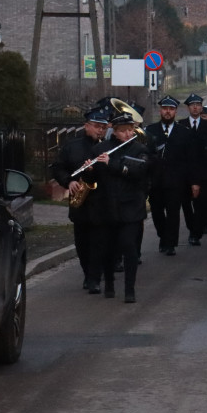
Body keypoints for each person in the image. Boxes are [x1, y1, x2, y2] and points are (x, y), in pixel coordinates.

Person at [86, 112, 149, 302]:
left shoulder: (139, 149)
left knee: (129, 247)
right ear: (115, 131)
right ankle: (110, 284)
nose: (129, 134)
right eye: (124, 131)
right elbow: (92, 180)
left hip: (131, 208)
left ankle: (130, 289)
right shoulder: (101, 148)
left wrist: (111, 164)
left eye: (131, 130)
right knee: (107, 248)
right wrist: (89, 170)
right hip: (107, 207)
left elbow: (138, 172)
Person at [50, 107, 109, 292]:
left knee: (99, 242)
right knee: (82, 242)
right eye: (97, 126)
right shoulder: (72, 146)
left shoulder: (110, 147)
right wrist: (69, 182)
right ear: (86, 126)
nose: (100, 130)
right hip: (81, 203)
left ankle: (95, 278)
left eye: (104, 127)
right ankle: (87, 274)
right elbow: (58, 168)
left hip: (102, 201)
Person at [145, 95, 199, 256]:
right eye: (165, 109)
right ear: (160, 110)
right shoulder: (150, 130)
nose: (167, 112)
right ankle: (163, 236)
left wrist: (194, 182)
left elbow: (191, 160)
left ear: (175, 111)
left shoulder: (184, 132)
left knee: (173, 212)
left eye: (171, 109)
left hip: (176, 181)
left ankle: (170, 243)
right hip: (156, 181)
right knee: (156, 212)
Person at [178, 93, 207, 245]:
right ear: (188, 108)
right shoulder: (181, 125)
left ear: (201, 107)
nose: (195, 107)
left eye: (198, 105)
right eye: (192, 105)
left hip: (203, 172)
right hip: (185, 172)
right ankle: (192, 229)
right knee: (186, 205)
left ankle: (197, 231)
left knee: (201, 204)